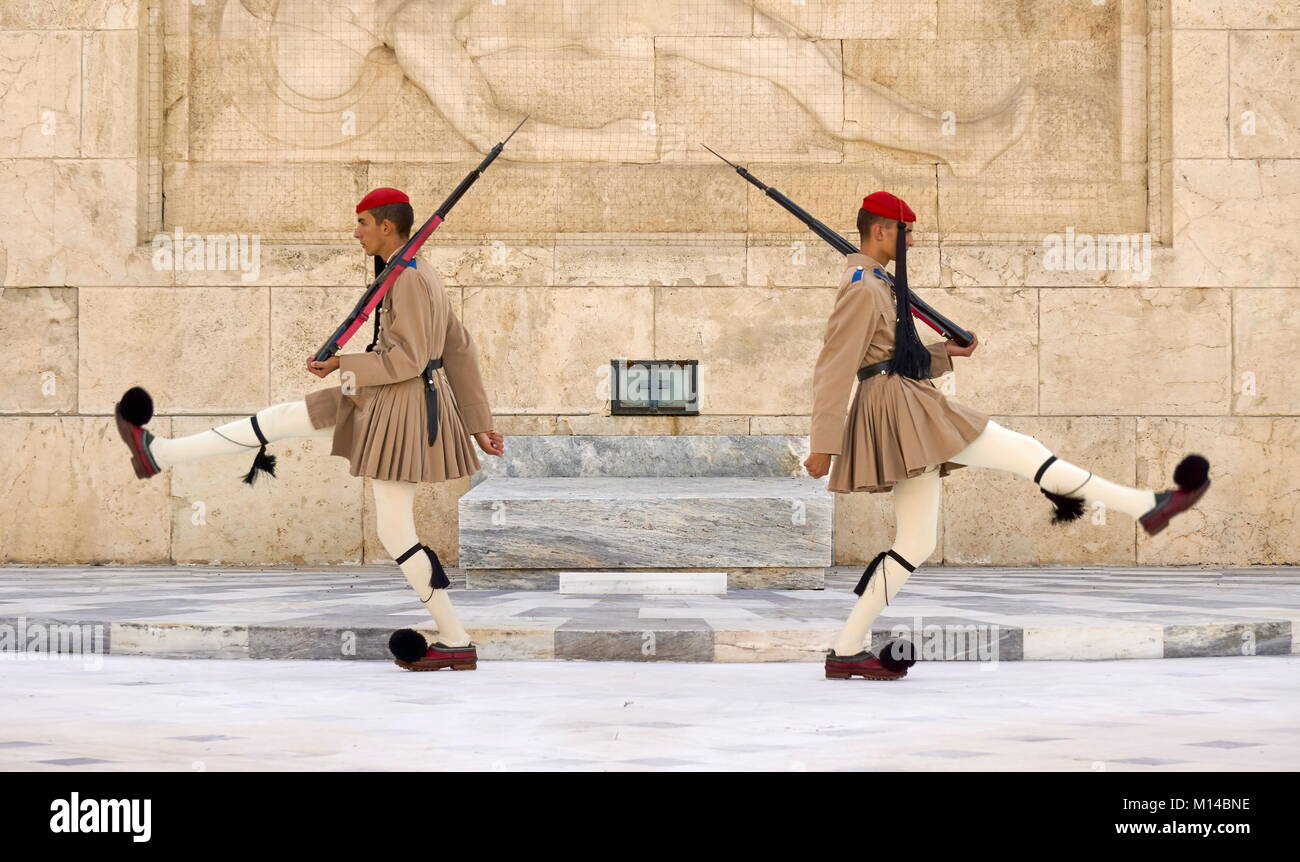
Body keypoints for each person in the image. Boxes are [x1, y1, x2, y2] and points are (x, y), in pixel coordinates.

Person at [805, 191, 1211, 681]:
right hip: (902, 408)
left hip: (901, 401)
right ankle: (1146, 505)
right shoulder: (863, 286)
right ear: (882, 231)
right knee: (1025, 451)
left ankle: (845, 650)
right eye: (907, 231)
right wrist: (823, 445)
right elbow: (835, 366)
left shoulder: (877, 282)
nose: (912, 239)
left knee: (915, 541)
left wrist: (947, 351)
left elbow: (889, 353)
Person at [114, 187, 504, 672]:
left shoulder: (410, 279)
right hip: (374, 397)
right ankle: (160, 454)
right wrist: (479, 423)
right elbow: (461, 348)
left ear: (387, 226)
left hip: (398, 408)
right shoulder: (410, 272)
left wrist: (344, 362)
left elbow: (412, 359)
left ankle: (455, 638)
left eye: (362, 222)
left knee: (395, 529)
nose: (355, 232)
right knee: (281, 419)